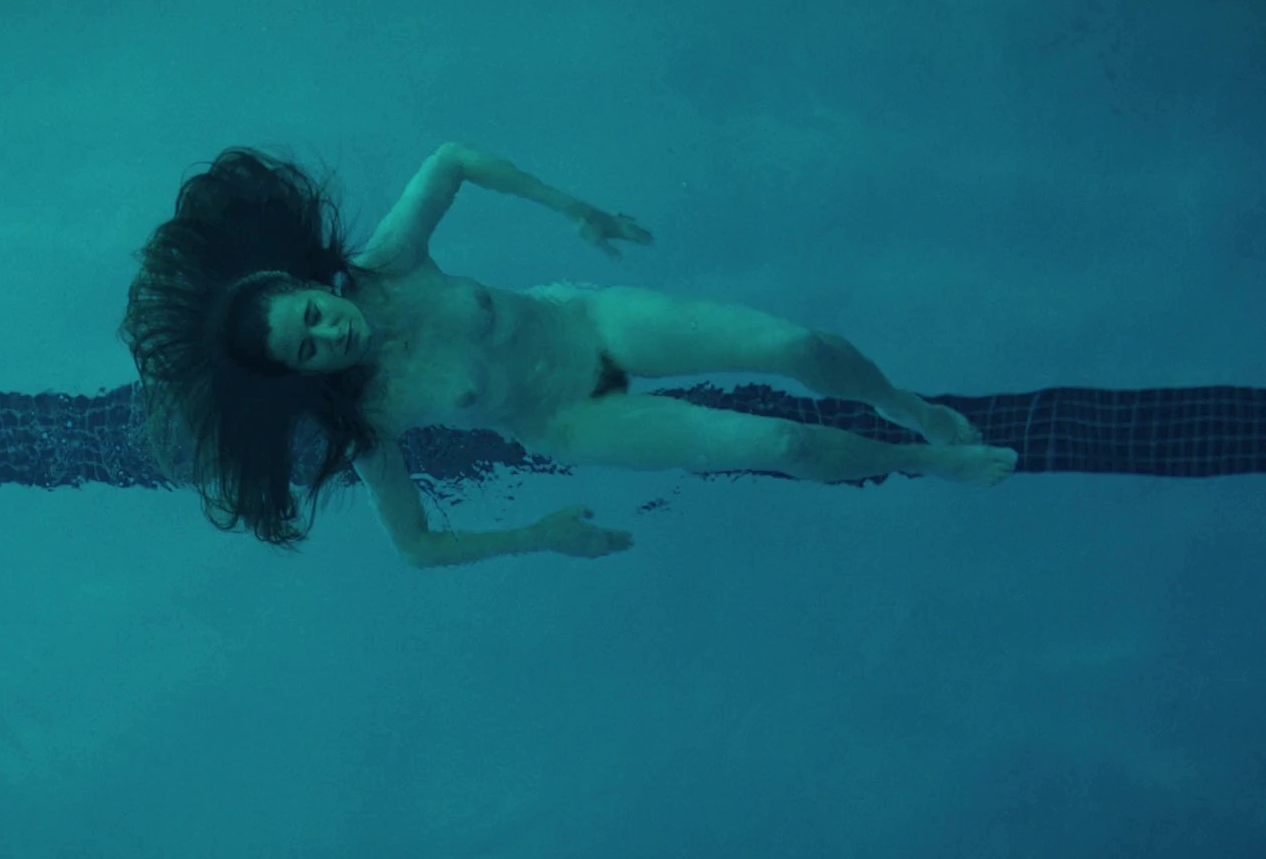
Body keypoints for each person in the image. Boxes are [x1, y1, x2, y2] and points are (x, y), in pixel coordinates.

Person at [118, 144, 1017, 568]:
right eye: (308, 350)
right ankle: (927, 460)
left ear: (302, 282)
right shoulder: (372, 421)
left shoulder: (388, 265)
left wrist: (575, 208)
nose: (328, 334)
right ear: (302, 376)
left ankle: (904, 405)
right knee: (781, 444)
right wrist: (538, 538)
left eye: (310, 314)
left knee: (799, 346)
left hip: (585, 324)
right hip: (567, 419)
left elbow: (450, 160)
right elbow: (417, 547)